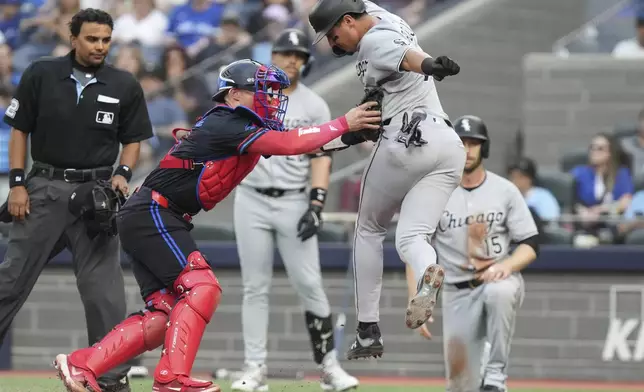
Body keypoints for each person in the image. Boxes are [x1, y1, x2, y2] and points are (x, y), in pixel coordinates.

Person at [52, 58, 382, 392]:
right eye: (262, 91)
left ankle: (83, 365)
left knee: (164, 315)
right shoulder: (229, 120)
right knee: (202, 287)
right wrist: (344, 121)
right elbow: (291, 143)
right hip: (154, 212)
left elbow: (302, 145)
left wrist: (350, 136)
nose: (271, 98)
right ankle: (171, 378)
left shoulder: (242, 126)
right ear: (235, 94)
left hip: (153, 213)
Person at [0, 8, 153, 392]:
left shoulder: (124, 84)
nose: (100, 46)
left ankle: (111, 379)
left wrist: (123, 174)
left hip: (95, 197)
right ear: (73, 38)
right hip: (44, 189)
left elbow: (133, 139)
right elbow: (19, 131)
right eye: (92, 39)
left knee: (105, 296)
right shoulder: (41, 73)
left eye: (106, 39)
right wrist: (17, 184)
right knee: (9, 281)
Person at [308, 0, 464, 359]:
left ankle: (367, 330)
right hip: (447, 146)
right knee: (412, 235)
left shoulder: (374, 39)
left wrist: (431, 65)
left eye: (333, 34)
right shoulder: (381, 17)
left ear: (349, 21)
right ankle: (428, 270)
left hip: (407, 139)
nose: (333, 45)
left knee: (369, 229)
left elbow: (406, 56)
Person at [230, 29, 358, 392]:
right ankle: (254, 369)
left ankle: (329, 367)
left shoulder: (314, 104)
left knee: (310, 284)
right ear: (272, 55)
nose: (291, 60)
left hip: (292, 199)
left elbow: (321, 156)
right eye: (286, 53)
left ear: (306, 60)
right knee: (255, 287)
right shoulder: (254, 97)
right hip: (251, 197)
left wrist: (317, 203)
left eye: (299, 55)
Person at [405, 115, 539, 392]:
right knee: (459, 384)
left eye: (473, 143)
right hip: (456, 291)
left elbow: (530, 243)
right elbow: (416, 247)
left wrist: (509, 266)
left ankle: (496, 375)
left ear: (484, 148)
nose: (467, 149)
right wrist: (418, 297)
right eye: (461, 142)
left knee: (498, 292)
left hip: (496, 278)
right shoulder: (434, 192)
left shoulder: (505, 190)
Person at [507, 156, 560, 222]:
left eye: (520, 177)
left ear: (530, 178)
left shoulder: (543, 196)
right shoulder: (506, 197)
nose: (515, 181)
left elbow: (551, 222)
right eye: (513, 177)